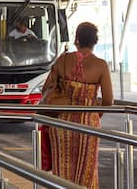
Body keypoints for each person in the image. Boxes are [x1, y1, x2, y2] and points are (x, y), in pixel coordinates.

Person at [46, 22, 113, 189]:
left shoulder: (63, 60)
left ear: (77, 40)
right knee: (87, 173)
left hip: (61, 122)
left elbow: (47, 88)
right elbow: (108, 101)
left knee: (62, 170)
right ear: (95, 41)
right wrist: (94, 116)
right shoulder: (101, 65)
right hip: (88, 124)